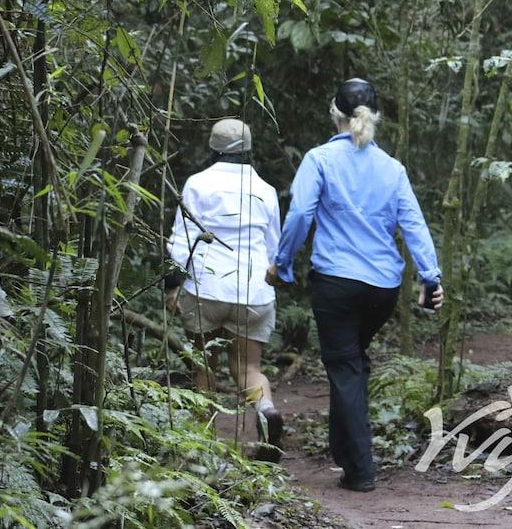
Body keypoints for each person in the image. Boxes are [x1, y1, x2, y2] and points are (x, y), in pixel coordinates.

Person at [267, 78, 443, 493]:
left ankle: (361, 470)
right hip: (382, 289)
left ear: (335, 114)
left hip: (336, 283)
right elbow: (414, 225)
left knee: (344, 366)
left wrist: (282, 263)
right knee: (350, 362)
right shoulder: (393, 168)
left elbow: (299, 217)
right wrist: (430, 277)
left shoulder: (319, 158)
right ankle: (345, 453)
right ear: (375, 117)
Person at [165, 118, 284, 462]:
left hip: (206, 286)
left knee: (204, 366)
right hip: (253, 290)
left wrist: (173, 287)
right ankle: (266, 407)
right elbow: (274, 248)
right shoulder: (265, 189)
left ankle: (204, 449)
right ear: (249, 148)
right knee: (248, 368)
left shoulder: (197, 184)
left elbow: (181, 239)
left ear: (213, 147)